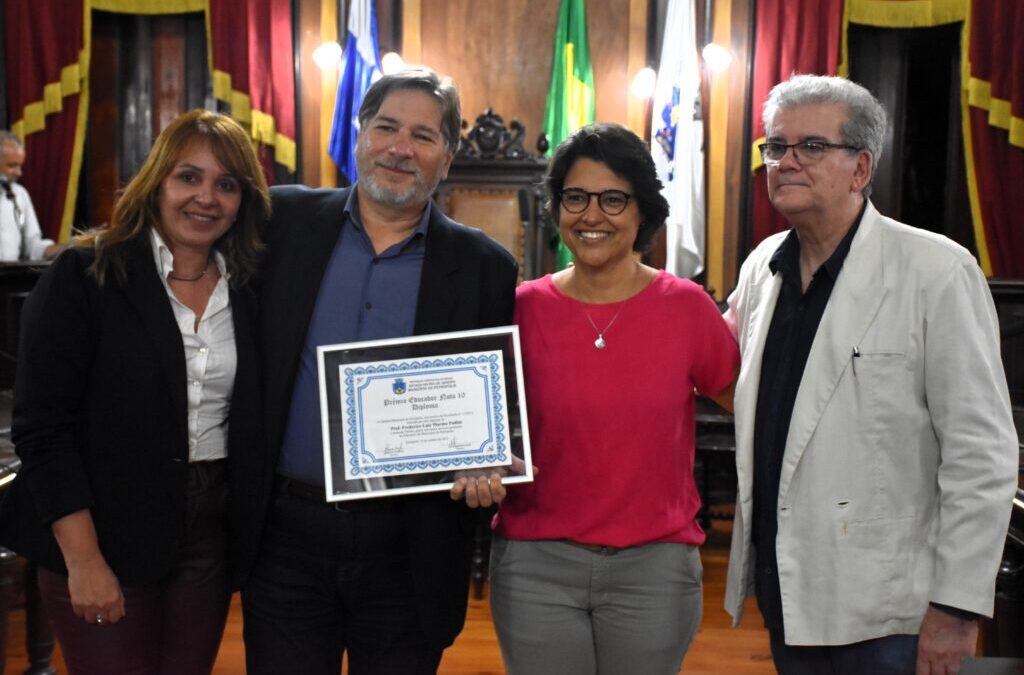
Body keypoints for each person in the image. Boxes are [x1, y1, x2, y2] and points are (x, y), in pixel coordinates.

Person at [723, 74, 1019, 675]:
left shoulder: (936, 269)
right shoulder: (762, 267)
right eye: (776, 146)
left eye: (811, 146)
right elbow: (712, 367)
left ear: (861, 168)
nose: (786, 162)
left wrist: (957, 608)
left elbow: (981, 454)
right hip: (787, 589)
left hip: (893, 609)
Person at [236, 67, 518, 675]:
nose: (400, 148)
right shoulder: (280, 222)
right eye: (386, 127)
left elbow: (489, 407)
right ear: (359, 136)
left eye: (423, 135)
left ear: (446, 159)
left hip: (410, 550)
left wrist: (486, 458)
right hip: (285, 539)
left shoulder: (485, 268)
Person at [0, 109, 269, 674]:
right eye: (188, 177)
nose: (206, 198)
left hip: (207, 530)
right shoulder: (85, 274)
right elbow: (43, 430)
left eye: (227, 184)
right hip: (100, 526)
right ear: (157, 182)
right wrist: (84, 560)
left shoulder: (249, 288)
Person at [488, 123, 739, 675]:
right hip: (535, 565)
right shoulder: (519, 308)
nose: (591, 215)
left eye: (613, 199)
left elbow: (749, 409)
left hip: (653, 569)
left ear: (641, 210)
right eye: (576, 197)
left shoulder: (686, 307)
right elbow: (479, 419)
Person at [0, 131, 59, 260]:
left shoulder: (20, 194)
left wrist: (68, 248)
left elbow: (33, 246)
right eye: (12, 165)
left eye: (20, 166)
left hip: (11, 272)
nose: (19, 173)